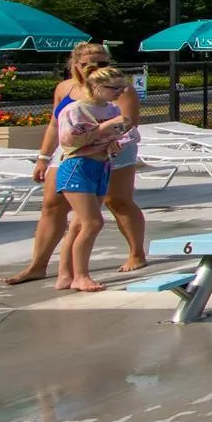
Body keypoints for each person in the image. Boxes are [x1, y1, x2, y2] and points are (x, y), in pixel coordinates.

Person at [2, 42, 148, 286]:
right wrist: (43, 157)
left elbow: (128, 123)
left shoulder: (118, 89)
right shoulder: (65, 89)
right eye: (89, 63)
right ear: (74, 65)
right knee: (52, 205)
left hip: (111, 150)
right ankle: (39, 266)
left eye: (103, 63)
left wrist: (110, 139)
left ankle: (136, 252)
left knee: (117, 201)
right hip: (72, 151)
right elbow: (55, 125)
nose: (95, 67)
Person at [49, 66, 132, 292]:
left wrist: (116, 143)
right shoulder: (75, 110)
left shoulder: (113, 109)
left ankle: (66, 276)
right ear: (96, 87)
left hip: (101, 165)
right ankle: (81, 276)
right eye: (114, 88)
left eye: (122, 88)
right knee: (92, 223)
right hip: (78, 166)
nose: (119, 92)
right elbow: (68, 142)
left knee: (78, 225)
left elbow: (121, 135)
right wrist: (104, 128)